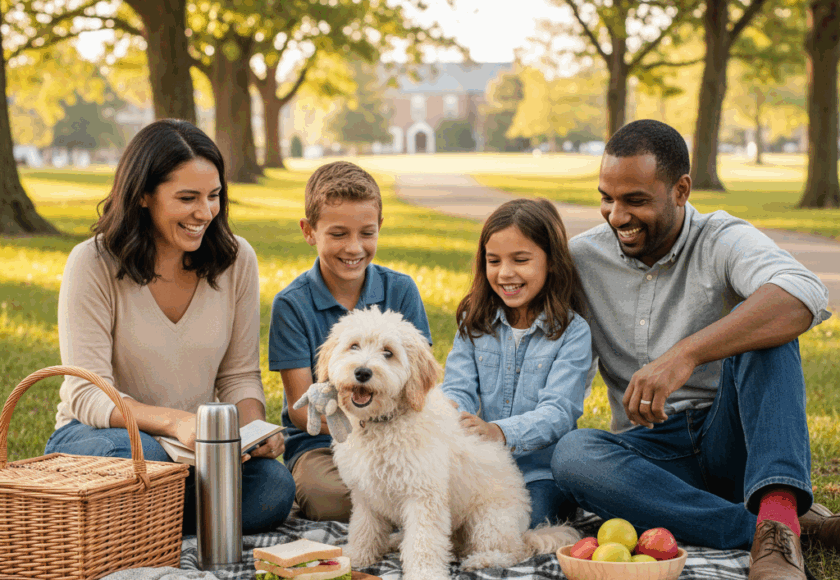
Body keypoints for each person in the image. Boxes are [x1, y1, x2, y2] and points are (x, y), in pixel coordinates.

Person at [550, 119, 837, 580]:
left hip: (735, 441)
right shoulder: (581, 257)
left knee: (769, 330)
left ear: (681, 190)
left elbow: (802, 291)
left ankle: (777, 530)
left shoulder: (720, 238)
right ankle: (772, 525)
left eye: (636, 201)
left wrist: (685, 354)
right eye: (607, 197)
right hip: (652, 460)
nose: (617, 215)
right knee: (573, 454)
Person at [44, 119, 295, 534]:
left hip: (194, 449)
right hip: (105, 438)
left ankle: (144, 517)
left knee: (273, 488)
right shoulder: (92, 263)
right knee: (146, 462)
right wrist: (175, 423)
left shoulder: (236, 260)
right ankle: (167, 511)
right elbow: (86, 392)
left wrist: (254, 432)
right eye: (187, 198)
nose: (205, 213)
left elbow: (238, 375)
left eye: (214, 196)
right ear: (143, 195)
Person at [268, 160, 432, 522]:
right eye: (338, 234)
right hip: (320, 443)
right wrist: (360, 426)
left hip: (400, 435)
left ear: (379, 229)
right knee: (332, 498)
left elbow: (419, 385)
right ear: (309, 231)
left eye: (366, 233)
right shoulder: (292, 304)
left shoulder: (400, 290)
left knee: (427, 482)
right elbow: (300, 410)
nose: (354, 248)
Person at [440, 198, 591, 529]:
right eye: (494, 261)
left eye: (520, 260)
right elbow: (457, 387)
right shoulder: (475, 320)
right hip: (481, 469)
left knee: (519, 524)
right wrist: (448, 415)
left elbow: (559, 413)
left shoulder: (573, 332)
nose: (505, 273)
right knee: (435, 513)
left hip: (540, 474)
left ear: (551, 262)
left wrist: (497, 432)